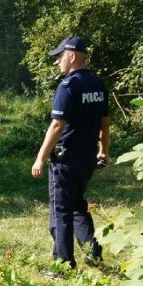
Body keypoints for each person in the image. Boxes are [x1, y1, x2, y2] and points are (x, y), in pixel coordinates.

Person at [31, 35, 109, 270]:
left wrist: (41, 157)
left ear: (72, 56)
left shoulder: (69, 86)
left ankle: (62, 264)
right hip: (87, 158)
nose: (57, 62)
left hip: (66, 160)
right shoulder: (98, 84)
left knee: (60, 212)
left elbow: (57, 125)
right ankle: (92, 253)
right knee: (77, 206)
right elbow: (104, 123)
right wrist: (103, 150)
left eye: (59, 57)